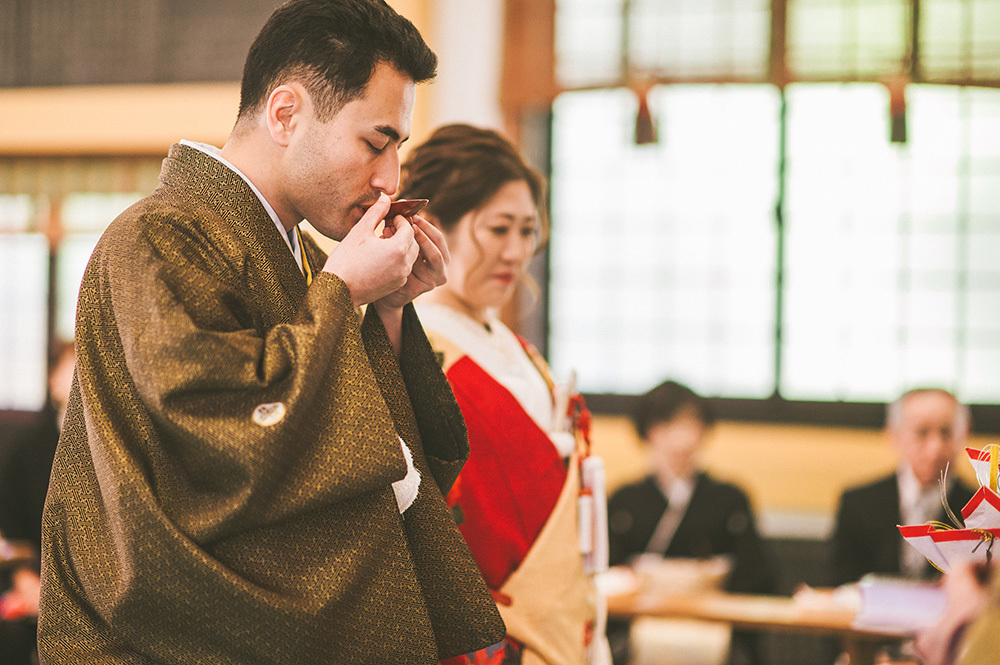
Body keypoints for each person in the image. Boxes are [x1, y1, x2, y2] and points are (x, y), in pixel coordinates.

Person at [37, 3, 505, 664]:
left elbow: (391, 445)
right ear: (286, 113)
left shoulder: (311, 260)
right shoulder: (155, 236)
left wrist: (390, 308)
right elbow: (218, 436)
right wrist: (343, 294)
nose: (389, 179)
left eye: (397, 147)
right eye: (377, 142)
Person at [399, 123, 610, 665]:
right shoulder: (413, 346)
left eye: (527, 230)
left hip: (568, 618)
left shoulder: (518, 349)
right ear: (433, 225)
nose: (516, 252)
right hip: (486, 635)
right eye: (498, 229)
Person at [605, 379, 774, 665]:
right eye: (667, 426)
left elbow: (756, 574)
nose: (680, 438)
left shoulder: (730, 498)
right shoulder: (625, 500)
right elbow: (607, 569)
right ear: (648, 432)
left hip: (713, 623)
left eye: (690, 424)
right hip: (640, 624)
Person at [830, 388, 976, 587]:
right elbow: (842, 586)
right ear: (895, 434)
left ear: (963, 433)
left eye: (946, 432)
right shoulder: (858, 504)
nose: (935, 448)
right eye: (922, 433)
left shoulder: (983, 511)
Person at [0, 340, 75, 665]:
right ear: (53, 380)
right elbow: (8, 520)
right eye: (72, 371)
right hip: (31, 577)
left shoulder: (117, 449)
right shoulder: (29, 445)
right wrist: (24, 579)